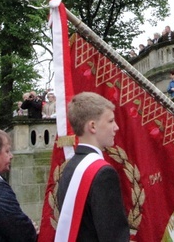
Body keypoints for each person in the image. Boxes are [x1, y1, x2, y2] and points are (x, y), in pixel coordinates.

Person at [57, 92, 129, 241]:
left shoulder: (70, 167)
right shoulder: (103, 174)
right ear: (93, 126)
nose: (116, 127)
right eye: (110, 121)